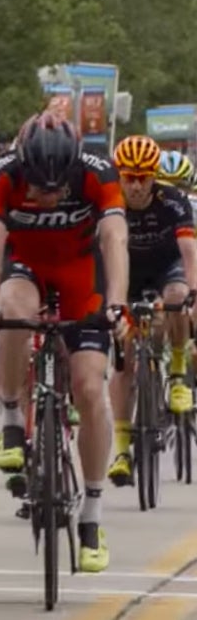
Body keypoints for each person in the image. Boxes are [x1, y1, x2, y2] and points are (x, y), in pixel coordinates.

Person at [0, 112, 128, 574]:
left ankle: (92, 516)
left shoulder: (98, 173)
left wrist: (118, 304)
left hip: (82, 276)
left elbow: (115, 238)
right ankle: (11, 421)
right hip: (26, 268)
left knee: (89, 388)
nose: (47, 195)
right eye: (39, 186)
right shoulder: (3, 175)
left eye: (58, 186)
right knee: (12, 309)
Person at [107, 137, 197, 486]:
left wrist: (194, 293)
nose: (136, 186)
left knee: (176, 294)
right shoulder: (109, 201)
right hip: (126, 272)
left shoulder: (171, 200)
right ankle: (121, 449)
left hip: (166, 266)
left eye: (144, 177)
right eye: (129, 177)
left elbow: (189, 251)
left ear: (154, 176)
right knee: (125, 359)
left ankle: (176, 373)